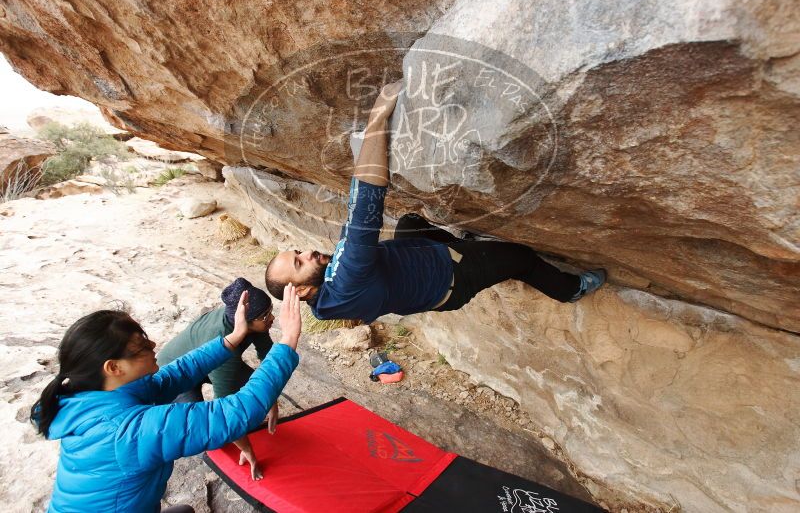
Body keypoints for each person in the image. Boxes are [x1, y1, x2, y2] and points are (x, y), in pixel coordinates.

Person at [264, 81, 606, 323]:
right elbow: (364, 208)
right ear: (304, 291)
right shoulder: (345, 282)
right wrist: (377, 120)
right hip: (451, 277)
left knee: (411, 223)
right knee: (522, 258)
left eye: (296, 251)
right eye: (298, 263)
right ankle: (570, 289)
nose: (305, 253)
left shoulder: (328, 292)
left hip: (410, 276)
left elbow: (352, 236)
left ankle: (463, 242)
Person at [30, 283, 303, 513]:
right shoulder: (130, 431)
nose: (153, 346)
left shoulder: (95, 395)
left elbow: (177, 373)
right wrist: (288, 341)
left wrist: (232, 338)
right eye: (141, 347)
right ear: (114, 367)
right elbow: (235, 413)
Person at [157, 277, 278, 480]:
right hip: (176, 375)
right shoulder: (222, 341)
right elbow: (225, 407)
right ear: (244, 321)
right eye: (266, 315)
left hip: (208, 361)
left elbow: (270, 360)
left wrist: (271, 400)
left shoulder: (254, 321)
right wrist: (247, 449)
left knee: (258, 389)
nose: (272, 318)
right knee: (202, 429)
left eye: (270, 310)